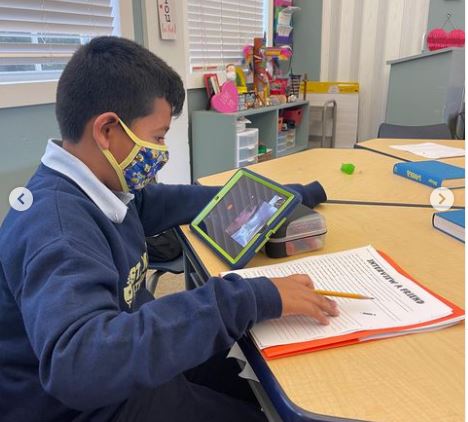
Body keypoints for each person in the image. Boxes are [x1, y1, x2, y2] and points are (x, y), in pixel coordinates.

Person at [0, 36, 338, 422]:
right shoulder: (57, 228)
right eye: (158, 136)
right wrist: (247, 297)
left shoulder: (102, 189)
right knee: (257, 411)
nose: (161, 151)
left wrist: (288, 197)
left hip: (117, 368)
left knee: (243, 380)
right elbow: (80, 364)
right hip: (81, 405)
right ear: (107, 130)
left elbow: (169, 201)